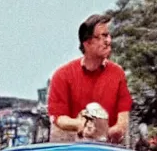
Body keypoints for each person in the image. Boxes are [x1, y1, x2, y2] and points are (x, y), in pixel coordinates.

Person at [47, 14, 133, 144]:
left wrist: (111, 131)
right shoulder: (62, 75)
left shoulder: (117, 73)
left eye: (108, 36)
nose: (108, 41)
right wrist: (81, 125)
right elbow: (58, 117)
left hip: (109, 150)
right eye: (103, 36)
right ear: (87, 43)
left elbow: (123, 116)